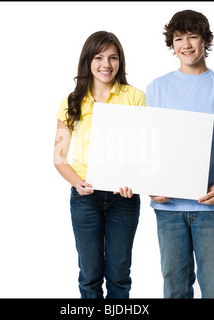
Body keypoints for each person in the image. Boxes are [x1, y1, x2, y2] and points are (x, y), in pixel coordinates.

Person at [146, 10, 214, 298]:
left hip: (212, 206)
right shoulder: (156, 88)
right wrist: (151, 184)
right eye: (179, 38)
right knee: (175, 289)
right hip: (168, 209)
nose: (186, 44)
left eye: (193, 36)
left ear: (205, 41)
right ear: (172, 44)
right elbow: (149, 143)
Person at [53, 31, 145, 298]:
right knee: (90, 276)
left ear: (120, 62)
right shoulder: (72, 101)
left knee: (119, 276)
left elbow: (144, 149)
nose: (106, 64)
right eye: (99, 57)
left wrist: (134, 181)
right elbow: (59, 157)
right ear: (88, 61)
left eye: (113, 58)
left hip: (123, 198)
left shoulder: (135, 97)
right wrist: (76, 183)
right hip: (86, 197)